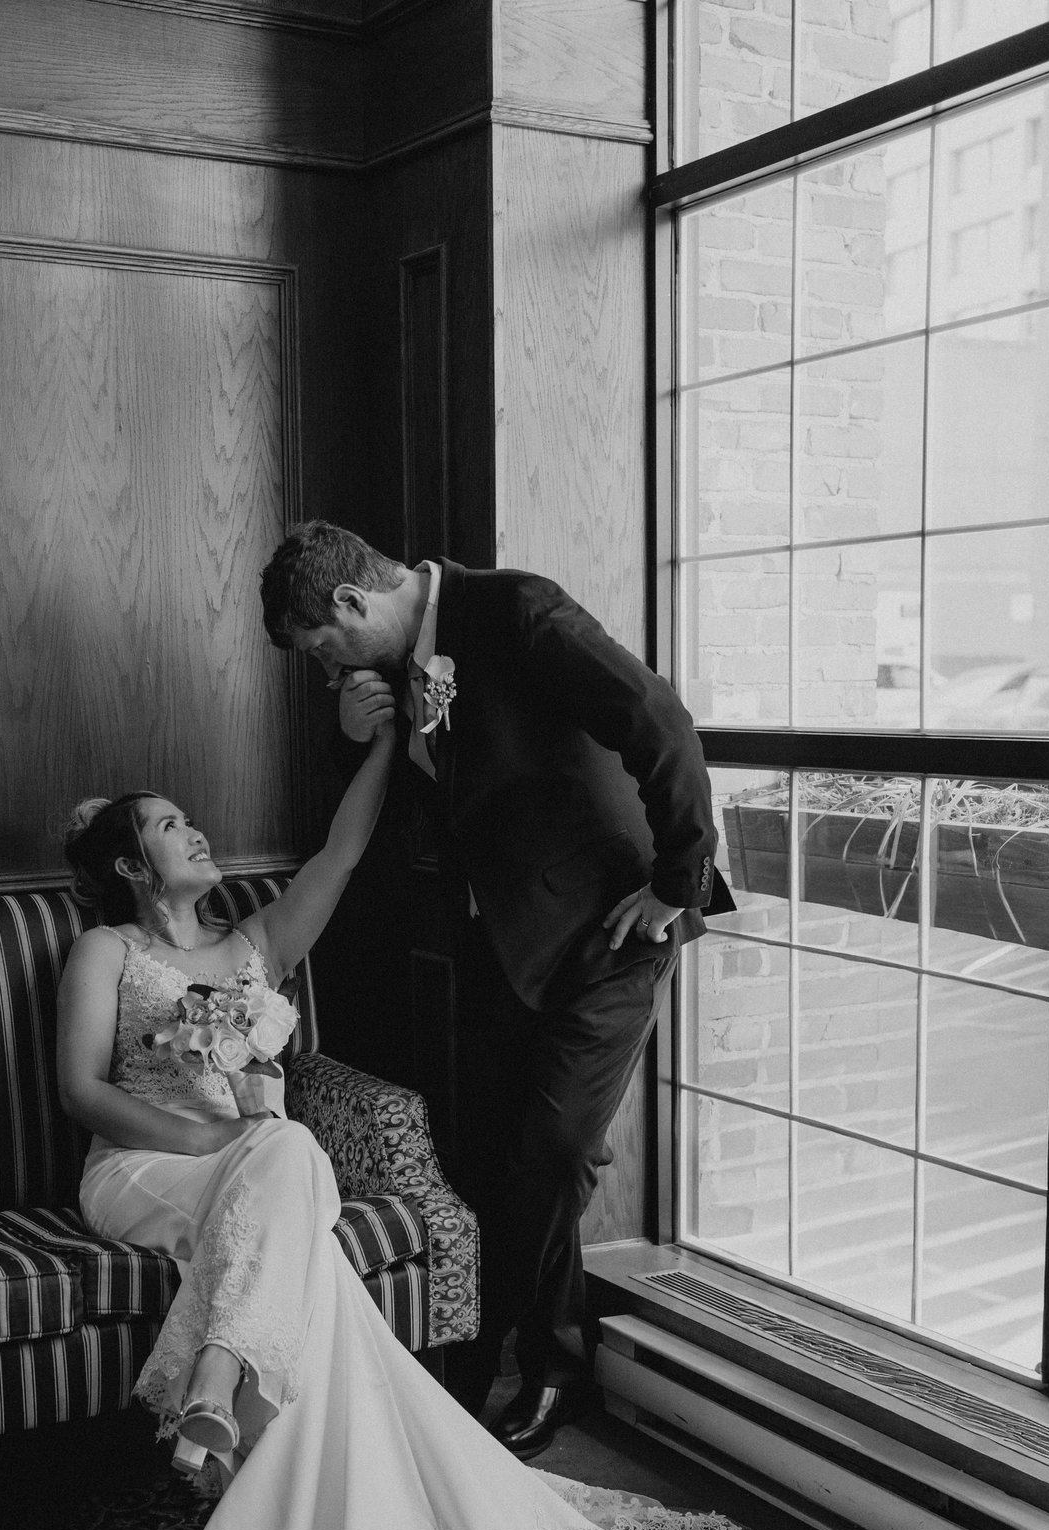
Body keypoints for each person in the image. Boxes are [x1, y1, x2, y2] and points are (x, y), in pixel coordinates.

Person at [56, 721, 855, 1530]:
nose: (198, 832)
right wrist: (206, 1144)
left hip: (254, 1170)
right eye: (171, 827)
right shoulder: (104, 952)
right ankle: (220, 1383)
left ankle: (221, 1387)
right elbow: (84, 1094)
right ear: (136, 867)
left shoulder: (254, 946)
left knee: (289, 1154)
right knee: (285, 1159)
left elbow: (339, 849)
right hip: (145, 1166)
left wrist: (388, 735)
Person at [259, 521, 734, 1457]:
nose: (326, 672)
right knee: (497, 1153)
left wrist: (679, 882)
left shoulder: (516, 609)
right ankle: (544, 1363)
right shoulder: (393, 670)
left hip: (611, 928)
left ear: (354, 604)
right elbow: (409, 806)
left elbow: (661, 720)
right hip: (501, 944)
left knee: (557, 1149)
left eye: (322, 650)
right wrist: (358, 737)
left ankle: (503, 1369)